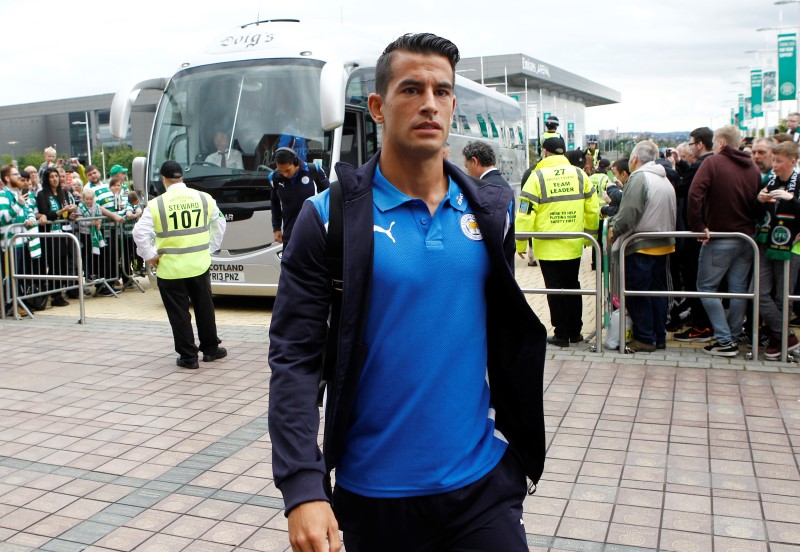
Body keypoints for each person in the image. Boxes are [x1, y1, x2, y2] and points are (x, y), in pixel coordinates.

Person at [268, 33, 546, 552]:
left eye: (442, 91)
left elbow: (504, 330)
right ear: (377, 106)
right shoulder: (328, 219)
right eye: (411, 89)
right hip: (375, 497)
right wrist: (303, 486)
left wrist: (517, 455)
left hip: (483, 486)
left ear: (454, 105)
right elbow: (294, 359)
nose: (429, 103)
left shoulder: (488, 213)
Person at [133, 161, 227, 370]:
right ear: (182, 177)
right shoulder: (203, 198)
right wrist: (209, 248)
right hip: (199, 265)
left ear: (164, 179)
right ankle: (211, 349)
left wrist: (150, 256)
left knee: (179, 313)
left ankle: (188, 357)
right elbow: (220, 223)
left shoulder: (157, 204)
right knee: (205, 307)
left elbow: (139, 233)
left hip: (170, 268)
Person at [516, 136, 599, 346]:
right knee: (573, 286)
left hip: (548, 246)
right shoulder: (580, 174)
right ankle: (575, 332)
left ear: (545, 152)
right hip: (573, 244)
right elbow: (593, 208)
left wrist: (520, 243)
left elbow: (525, 213)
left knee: (554, 289)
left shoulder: (537, 177)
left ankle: (561, 333)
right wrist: (592, 238)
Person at [688, 125, 761, 357]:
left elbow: (694, 194)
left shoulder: (713, 163)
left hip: (719, 237)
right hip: (747, 239)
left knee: (707, 288)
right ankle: (734, 335)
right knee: (738, 290)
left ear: (720, 144)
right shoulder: (753, 167)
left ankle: (725, 340)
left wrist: (698, 226)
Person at [607, 140, 677, 352]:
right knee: (657, 293)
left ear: (635, 159)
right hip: (663, 243)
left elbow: (629, 213)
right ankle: (658, 336)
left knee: (638, 293)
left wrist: (614, 228)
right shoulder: (664, 179)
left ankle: (645, 338)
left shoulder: (639, 178)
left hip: (640, 245)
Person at [755, 141, 800, 359]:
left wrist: (793, 200)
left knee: (784, 297)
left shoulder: (798, 183)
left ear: (793, 161)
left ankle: (779, 339)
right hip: (765, 243)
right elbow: (755, 211)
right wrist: (759, 199)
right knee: (760, 292)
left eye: (779, 161)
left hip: (791, 247)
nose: (774, 165)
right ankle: (786, 336)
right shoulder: (769, 181)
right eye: (773, 160)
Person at [671, 127, 716, 340]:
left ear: (699, 144)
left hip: (697, 234)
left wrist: (672, 169)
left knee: (697, 280)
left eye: (691, 144)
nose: (690, 147)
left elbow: (682, 188)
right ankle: (708, 324)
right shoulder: (713, 162)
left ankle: (702, 326)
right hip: (710, 230)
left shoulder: (701, 165)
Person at [268, 147, 329, 247]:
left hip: (313, 232)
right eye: (281, 171)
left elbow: (329, 195)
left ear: (296, 163)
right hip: (290, 234)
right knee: (288, 262)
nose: (284, 174)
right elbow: (275, 203)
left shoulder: (313, 170)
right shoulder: (274, 178)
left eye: (287, 170)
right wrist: (277, 228)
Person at [36, 167, 78, 307]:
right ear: (47, 179)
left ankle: (61, 290)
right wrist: (63, 211)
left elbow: (65, 214)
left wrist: (70, 215)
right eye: (51, 177)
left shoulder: (63, 193)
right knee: (54, 265)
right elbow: (46, 214)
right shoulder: (42, 194)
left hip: (64, 233)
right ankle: (55, 295)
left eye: (56, 176)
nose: (55, 179)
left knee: (63, 264)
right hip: (50, 235)